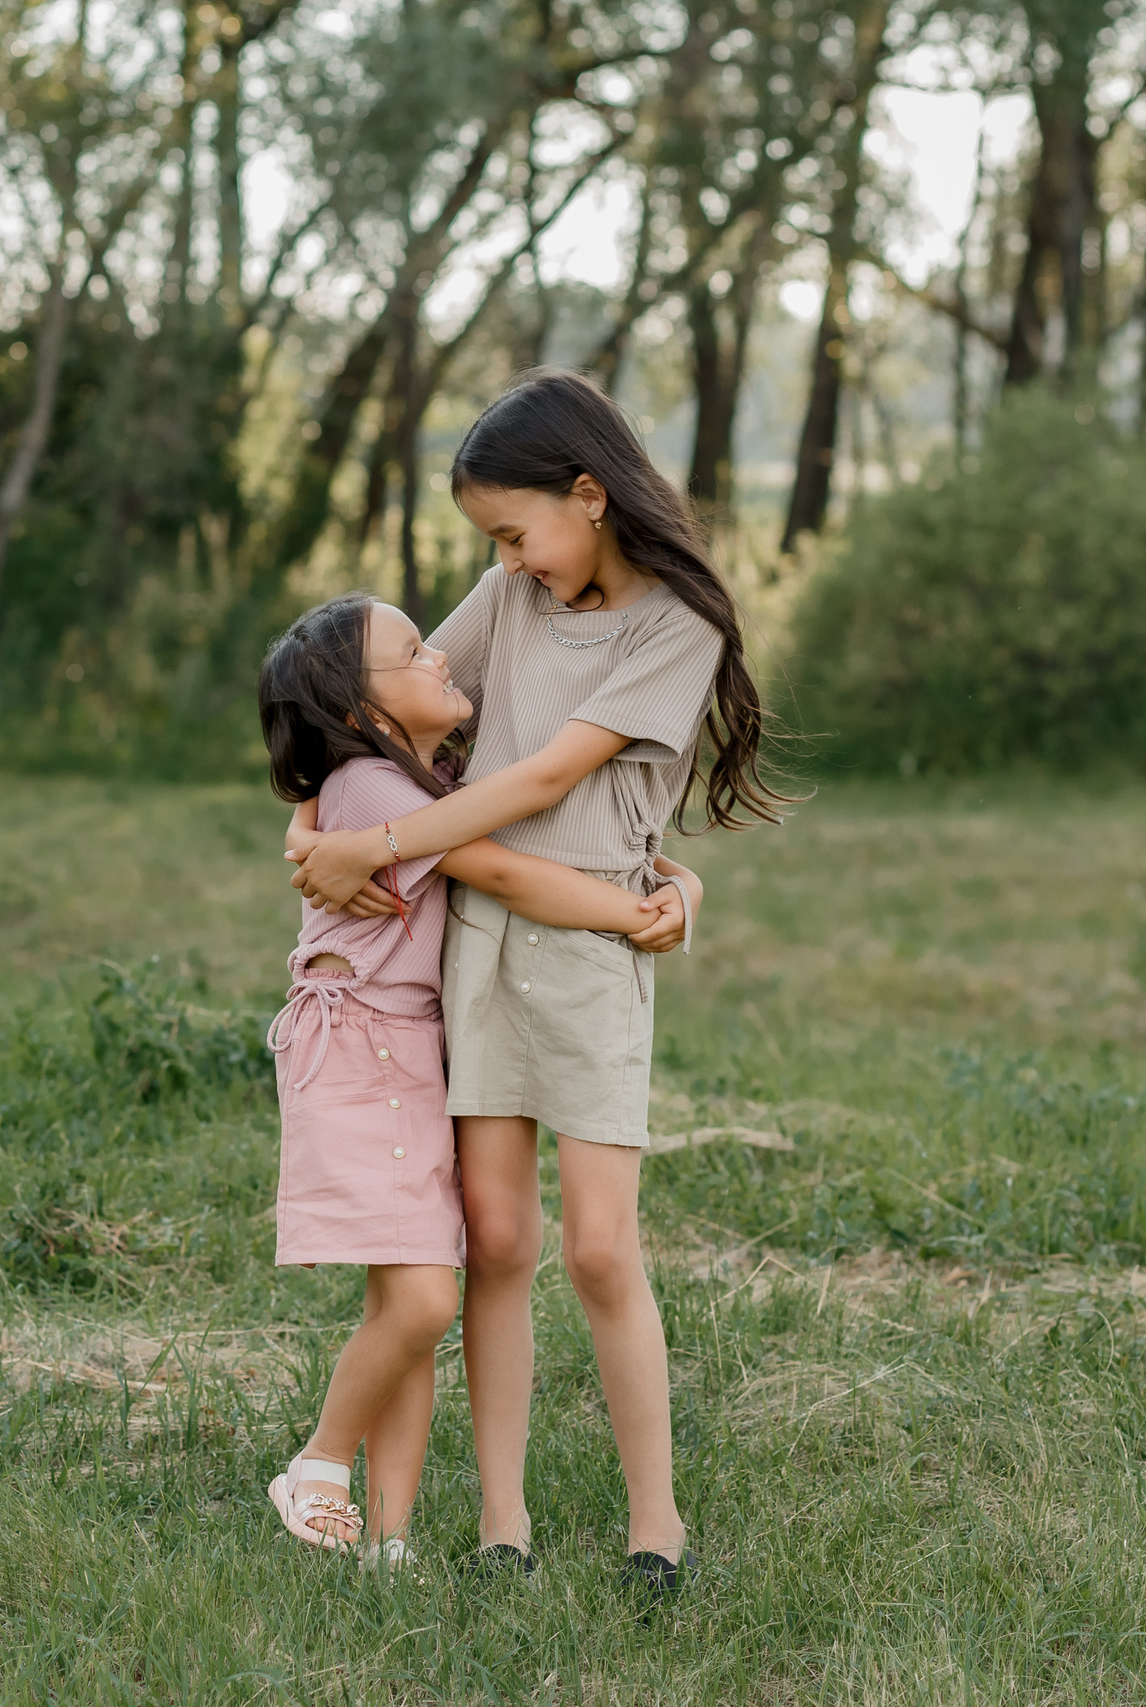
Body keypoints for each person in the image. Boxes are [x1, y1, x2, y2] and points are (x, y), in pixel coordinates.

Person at [287, 369, 787, 1595]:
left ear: (588, 495)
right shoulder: (517, 589)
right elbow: (377, 711)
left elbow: (536, 783)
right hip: (474, 946)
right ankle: (501, 1524)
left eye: (514, 533)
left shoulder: (676, 625)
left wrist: (375, 847)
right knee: (499, 1239)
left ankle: (653, 1526)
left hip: (591, 954)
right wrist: (312, 832)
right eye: (490, 544)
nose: (504, 561)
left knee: (601, 1250)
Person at [256, 590, 695, 1562]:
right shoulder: (376, 786)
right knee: (417, 1304)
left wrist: (676, 879)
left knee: (407, 1305)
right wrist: (633, 915)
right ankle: (319, 1463)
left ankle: (388, 1540)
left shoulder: (413, 776)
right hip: (362, 1057)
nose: (442, 659)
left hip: (410, 1055)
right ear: (363, 713)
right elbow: (494, 866)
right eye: (414, 653)